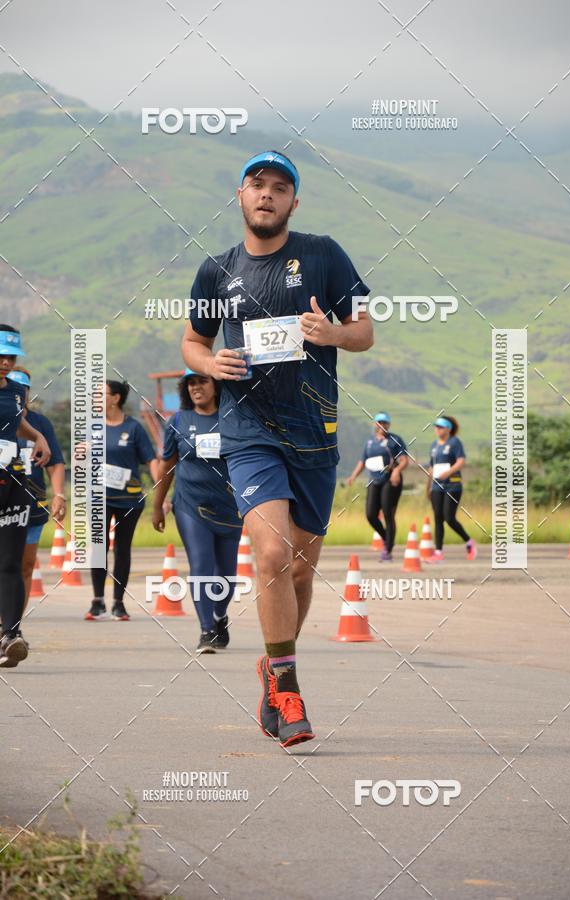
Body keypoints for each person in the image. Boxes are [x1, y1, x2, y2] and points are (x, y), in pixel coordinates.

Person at [182, 150, 373, 748]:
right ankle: (287, 688)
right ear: (240, 196)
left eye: (280, 187)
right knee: (270, 552)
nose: (267, 194)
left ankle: (271, 664)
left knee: (298, 568)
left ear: (295, 201)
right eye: (256, 184)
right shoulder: (215, 272)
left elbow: (365, 332)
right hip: (248, 433)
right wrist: (210, 362)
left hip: (314, 433)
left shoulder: (323, 254)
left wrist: (333, 333)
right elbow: (192, 340)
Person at [152, 368, 242, 652]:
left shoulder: (234, 419)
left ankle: (219, 616)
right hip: (190, 504)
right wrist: (157, 506)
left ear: (216, 384)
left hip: (229, 506)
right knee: (201, 564)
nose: (195, 388)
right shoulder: (178, 421)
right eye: (190, 383)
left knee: (227, 571)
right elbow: (166, 468)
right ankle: (206, 630)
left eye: (201, 381)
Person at [86, 380, 158, 621]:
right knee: (99, 548)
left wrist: (161, 491)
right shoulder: (92, 427)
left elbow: (152, 460)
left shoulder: (135, 428)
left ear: (115, 398)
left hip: (129, 498)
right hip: (98, 498)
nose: (95, 398)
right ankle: (98, 601)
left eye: (100, 394)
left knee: (122, 549)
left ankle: (119, 602)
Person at [0, 326, 51, 668]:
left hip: (12, 483)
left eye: (11, 357)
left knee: (10, 562)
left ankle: (11, 636)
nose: (6, 362)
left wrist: (39, 436)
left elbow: (17, 423)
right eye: (0, 355)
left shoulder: (17, 391)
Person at [8, 368, 66, 606]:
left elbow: (55, 463)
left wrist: (59, 494)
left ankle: (13, 628)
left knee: (26, 565)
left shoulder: (40, 423)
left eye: (24, 391)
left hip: (33, 505)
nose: (19, 396)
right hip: (4, 503)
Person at [346, 412, 408, 561]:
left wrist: (397, 471)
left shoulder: (395, 440)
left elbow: (404, 460)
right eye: (379, 422)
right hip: (374, 480)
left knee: (388, 513)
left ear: (389, 425)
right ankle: (387, 538)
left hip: (390, 480)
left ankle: (387, 550)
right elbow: (363, 461)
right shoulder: (369, 442)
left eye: (385, 423)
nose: (382, 425)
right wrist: (353, 476)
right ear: (375, 424)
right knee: (371, 514)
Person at [426, 415, 477, 563]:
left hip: (452, 485)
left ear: (448, 429)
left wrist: (447, 473)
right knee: (437, 518)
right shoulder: (434, 445)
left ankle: (469, 542)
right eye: (436, 427)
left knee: (449, 518)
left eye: (440, 427)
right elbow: (431, 466)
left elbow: (461, 461)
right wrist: (429, 484)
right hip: (437, 486)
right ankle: (438, 552)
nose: (437, 429)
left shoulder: (455, 443)